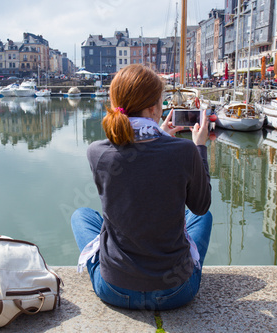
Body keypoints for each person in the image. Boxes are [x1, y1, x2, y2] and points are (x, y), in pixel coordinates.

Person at [71, 64, 212, 311]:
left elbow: (132, 186)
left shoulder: (97, 152)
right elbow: (200, 206)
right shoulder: (184, 150)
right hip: (176, 292)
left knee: (81, 216)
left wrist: (160, 136)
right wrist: (199, 147)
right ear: (153, 108)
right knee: (203, 218)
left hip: (115, 290)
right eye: (161, 102)